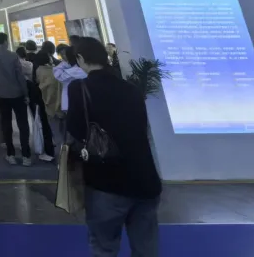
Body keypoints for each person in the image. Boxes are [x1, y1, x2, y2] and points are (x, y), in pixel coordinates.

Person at [67, 37, 161, 257]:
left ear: (80, 58)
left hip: (106, 181)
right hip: (145, 179)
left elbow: (75, 129)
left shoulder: (79, 89)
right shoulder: (132, 89)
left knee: (104, 247)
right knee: (146, 248)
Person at [0, 32, 31, 166]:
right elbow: (20, 76)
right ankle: (26, 156)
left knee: (6, 125)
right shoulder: (13, 55)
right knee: (23, 124)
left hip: (2, 95)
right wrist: (26, 93)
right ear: (6, 41)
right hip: (17, 94)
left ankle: (10, 154)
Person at [30, 51, 58, 158]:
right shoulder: (54, 69)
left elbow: (37, 84)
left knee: (45, 127)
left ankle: (49, 151)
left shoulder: (38, 70)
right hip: (55, 102)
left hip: (42, 101)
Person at [53, 44, 87, 112]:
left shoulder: (78, 66)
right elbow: (59, 75)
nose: (64, 56)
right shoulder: (62, 65)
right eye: (61, 54)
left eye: (65, 54)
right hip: (69, 95)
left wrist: (67, 71)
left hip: (80, 95)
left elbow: (60, 76)